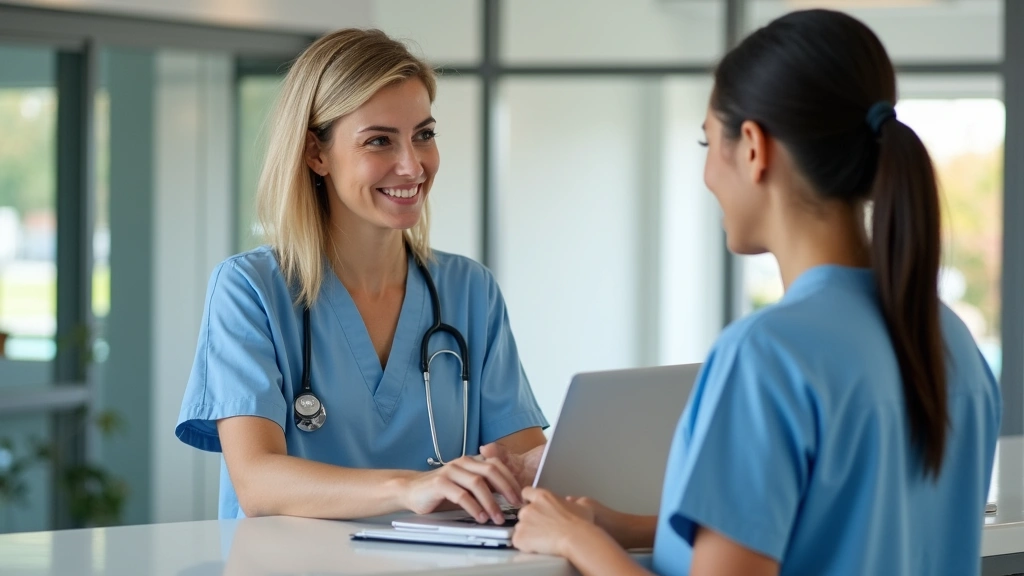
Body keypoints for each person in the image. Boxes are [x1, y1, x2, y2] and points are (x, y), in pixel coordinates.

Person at [511, 9, 1001, 576]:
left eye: (706, 144)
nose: (707, 176)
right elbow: (843, 523)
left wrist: (578, 542)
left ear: (752, 147)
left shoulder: (769, 354)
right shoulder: (950, 340)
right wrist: (625, 525)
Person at [174, 28, 548, 524]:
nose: (412, 165)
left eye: (424, 135)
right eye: (379, 141)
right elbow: (258, 482)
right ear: (316, 154)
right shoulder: (251, 290)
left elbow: (521, 468)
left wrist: (545, 467)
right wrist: (413, 487)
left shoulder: (470, 291)